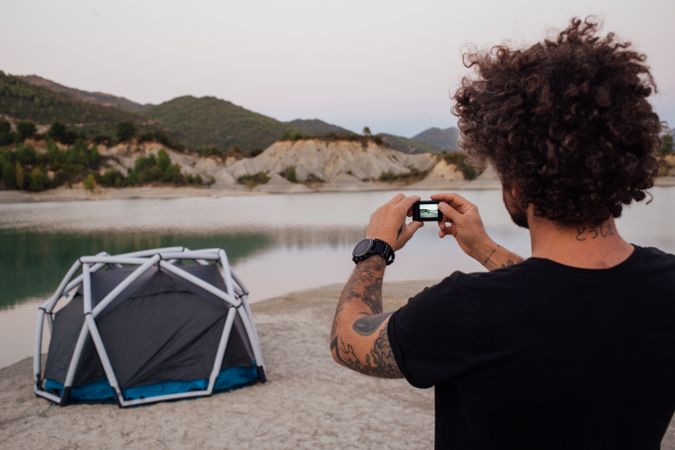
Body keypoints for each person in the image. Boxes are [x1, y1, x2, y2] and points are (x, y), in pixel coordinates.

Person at [330, 17, 675, 450]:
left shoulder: (468, 308)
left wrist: (375, 250)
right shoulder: (666, 285)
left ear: (516, 182)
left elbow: (348, 339)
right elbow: (575, 300)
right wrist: (486, 249)